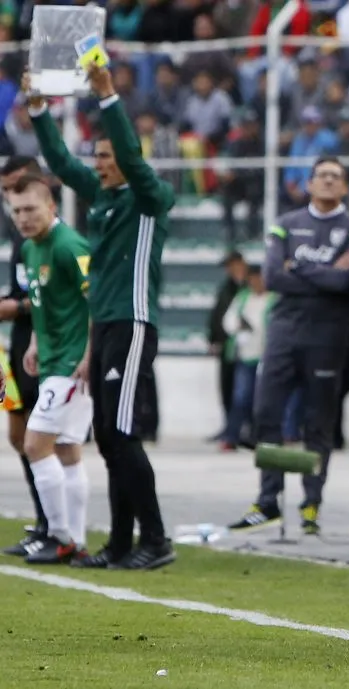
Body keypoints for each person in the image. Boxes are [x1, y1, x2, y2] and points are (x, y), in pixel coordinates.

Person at [26, 65, 176, 570]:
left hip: (134, 323)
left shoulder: (149, 198)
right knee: (110, 437)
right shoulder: (107, 199)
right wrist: (39, 110)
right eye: (101, 156)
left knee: (122, 433)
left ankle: (155, 541)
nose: (102, 163)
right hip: (107, 324)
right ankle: (119, 543)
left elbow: (131, 156)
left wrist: (110, 98)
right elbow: (63, 164)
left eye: (110, 156)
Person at [227, 156, 349, 536]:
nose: (328, 181)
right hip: (283, 335)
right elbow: (272, 276)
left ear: (344, 187)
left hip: (328, 338)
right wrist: (326, 272)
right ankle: (268, 500)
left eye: (336, 177)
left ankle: (310, 505)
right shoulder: (286, 224)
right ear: (309, 184)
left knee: (317, 424)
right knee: (266, 414)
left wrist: (299, 268)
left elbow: (345, 285)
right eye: (322, 176)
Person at [8, 174, 93, 564]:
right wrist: (36, 342)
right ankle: (75, 539)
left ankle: (59, 536)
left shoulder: (70, 246)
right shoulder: (30, 248)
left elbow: (97, 300)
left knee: (34, 445)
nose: (23, 218)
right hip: (53, 358)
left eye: (30, 209)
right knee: (66, 450)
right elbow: (43, 301)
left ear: (52, 207)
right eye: (17, 211)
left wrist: (90, 354)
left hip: (72, 363)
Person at [0, 155, 47, 556]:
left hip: (43, 344)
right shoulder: (20, 237)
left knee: (40, 437)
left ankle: (54, 525)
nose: (13, 200)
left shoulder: (52, 240)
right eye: (6, 193)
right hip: (18, 342)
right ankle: (43, 519)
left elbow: (53, 297)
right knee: (18, 435)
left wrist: (14, 308)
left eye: (18, 188)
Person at [220, 264, 275, 450]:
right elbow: (229, 320)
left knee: (263, 401)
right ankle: (232, 436)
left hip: (266, 357)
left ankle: (259, 437)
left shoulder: (273, 299)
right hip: (246, 355)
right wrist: (241, 327)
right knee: (241, 397)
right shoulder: (243, 298)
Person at [208, 249, 248, 445]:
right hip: (226, 346)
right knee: (226, 387)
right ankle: (229, 427)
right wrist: (213, 339)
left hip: (247, 347)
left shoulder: (250, 285)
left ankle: (242, 429)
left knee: (242, 391)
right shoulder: (226, 287)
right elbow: (217, 315)